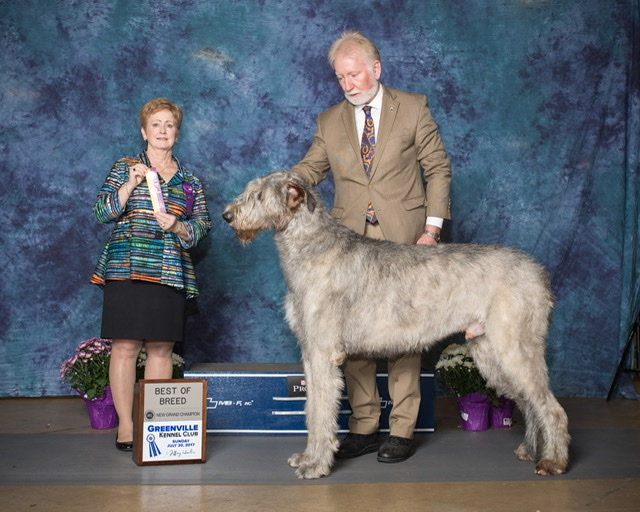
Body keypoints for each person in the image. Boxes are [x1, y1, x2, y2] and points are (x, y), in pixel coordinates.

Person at [290, 31, 451, 463]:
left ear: (375, 69)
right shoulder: (329, 121)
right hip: (347, 246)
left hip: (406, 239)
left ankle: (401, 429)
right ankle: (363, 424)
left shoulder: (413, 107)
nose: (348, 83)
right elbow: (310, 168)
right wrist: (283, 185)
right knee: (353, 339)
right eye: (340, 77)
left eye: (354, 73)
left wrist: (431, 232)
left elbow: (437, 169)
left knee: (404, 335)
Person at [91, 98, 212, 451]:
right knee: (125, 347)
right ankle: (127, 427)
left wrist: (179, 225)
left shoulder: (190, 182)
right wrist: (128, 187)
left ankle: (152, 427)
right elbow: (101, 212)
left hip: (169, 270)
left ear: (177, 133)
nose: (162, 131)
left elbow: (202, 226)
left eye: (169, 125)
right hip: (126, 268)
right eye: (155, 124)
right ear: (144, 132)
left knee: (161, 349)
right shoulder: (124, 167)